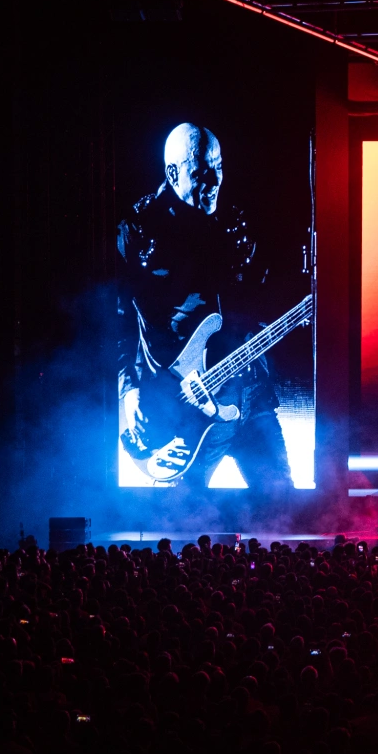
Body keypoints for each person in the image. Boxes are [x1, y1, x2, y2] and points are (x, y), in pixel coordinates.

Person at [116, 123, 292, 492]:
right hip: (184, 406)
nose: (214, 181)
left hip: (249, 393)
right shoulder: (138, 229)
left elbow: (258, 301)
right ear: (173, 173)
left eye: (219, 167)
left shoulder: (235, 221)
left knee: (284, 505)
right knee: (184, 514)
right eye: (201, 172)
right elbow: (117, 321)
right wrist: (128, 390)